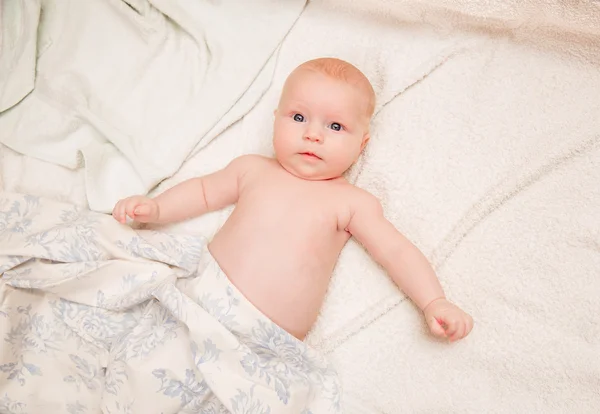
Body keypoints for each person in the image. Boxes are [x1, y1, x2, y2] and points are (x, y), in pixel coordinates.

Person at [112, 57, 474, 342]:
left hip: (266, 339)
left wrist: (433, 300)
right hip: (199, 302)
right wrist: (157, 209)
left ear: (362, 145)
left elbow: (396, 251)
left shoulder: (351, 203)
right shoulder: (252, 169)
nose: (312, 134)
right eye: (298, 117)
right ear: (275, 120)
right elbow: (203, 191)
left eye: (335, 127)